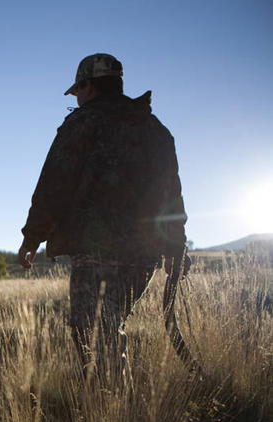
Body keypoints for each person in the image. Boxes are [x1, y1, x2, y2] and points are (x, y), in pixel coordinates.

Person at [17, 53, 189, 387]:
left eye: (78, 91)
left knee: (94, 336)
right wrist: (175, 245)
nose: (77, 99)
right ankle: (116, 414)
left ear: (88, 86)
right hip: (143, 256)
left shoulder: (82, 123)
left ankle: (110, 421)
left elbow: (55, 183)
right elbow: (172, 196)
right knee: (110, 330)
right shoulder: (155, 130)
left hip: (96, 251)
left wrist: (32, 237)